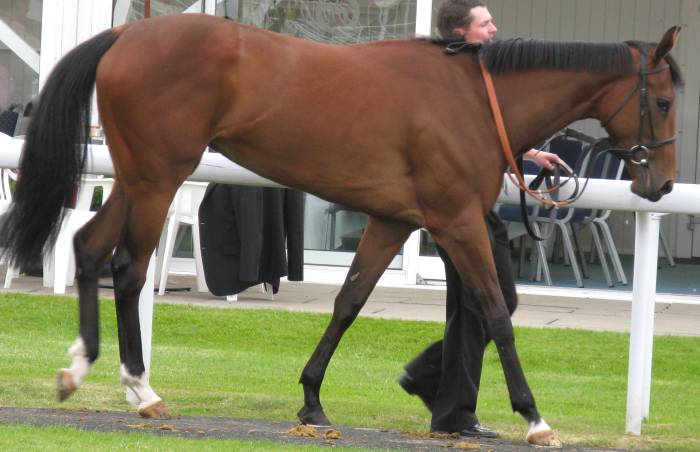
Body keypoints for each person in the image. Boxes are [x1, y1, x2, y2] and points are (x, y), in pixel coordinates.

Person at [398, 0, 563, 438]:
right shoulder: (445, 76)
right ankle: (447, 404)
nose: (493, 29)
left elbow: (485, 127)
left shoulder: (473, 73)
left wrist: (529, 153)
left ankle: (433, 384)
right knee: (488, 303)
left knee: (485, 304)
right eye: (485, 23)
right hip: (457, 208)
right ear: (460, 32)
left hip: (472, 205)